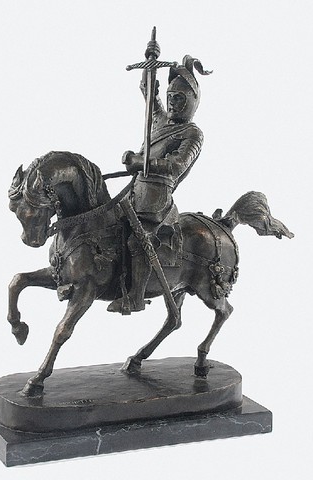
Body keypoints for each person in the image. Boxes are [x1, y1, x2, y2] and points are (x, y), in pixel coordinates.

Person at [107, 56, 211, 314]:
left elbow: (176, 165)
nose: (172, 102)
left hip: (156, 198)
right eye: (170, 97)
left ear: (191, 102)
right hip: (135, 190)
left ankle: (135, 297)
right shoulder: (160, 120)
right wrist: (149, 63)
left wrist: (139, 161)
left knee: (139, 240)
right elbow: (148, 92)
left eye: (179, 99)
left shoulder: (192, 133)